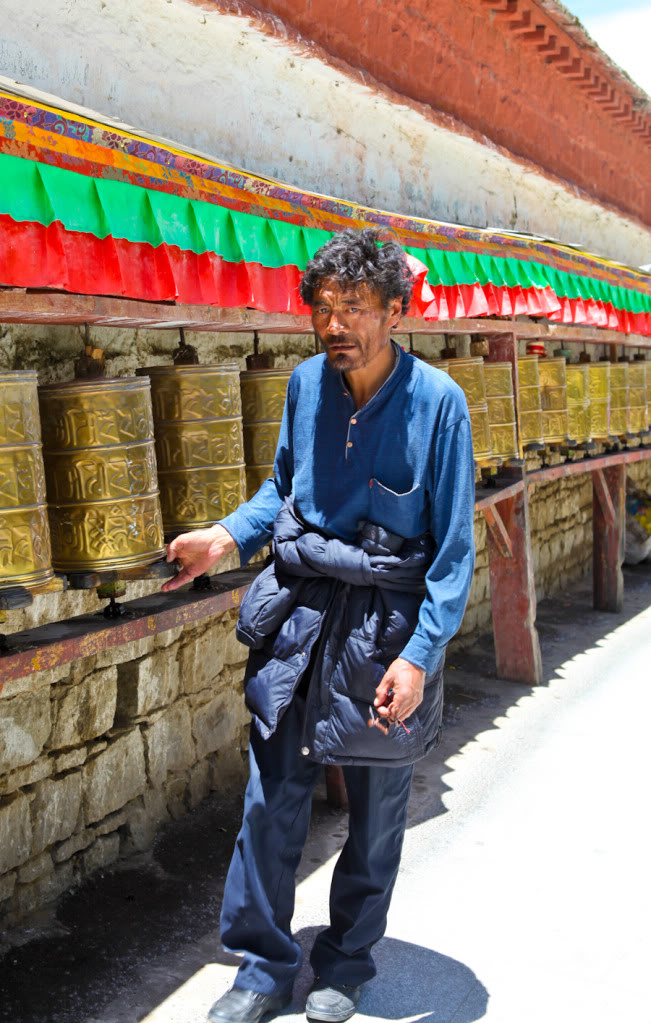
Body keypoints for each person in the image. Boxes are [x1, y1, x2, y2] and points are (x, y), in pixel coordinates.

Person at [162, 228, 476, 1023]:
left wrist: (418, 654)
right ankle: (261, 966)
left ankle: (344, 960)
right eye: (324, 308)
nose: (335, 324)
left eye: (356, 308)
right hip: (301, 618)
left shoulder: (438, 403)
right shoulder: (305, 385)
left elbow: (451, 552)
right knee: (272, 797)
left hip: (384, 628)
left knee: (375, 808)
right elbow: (280, 492)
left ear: (395, 311)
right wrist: (227, 535)